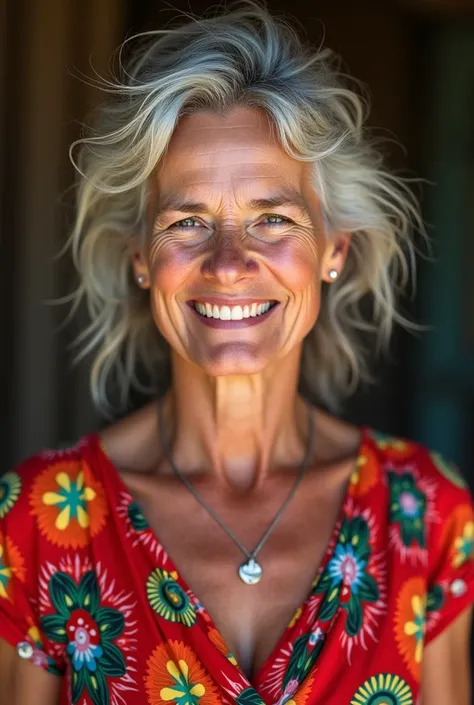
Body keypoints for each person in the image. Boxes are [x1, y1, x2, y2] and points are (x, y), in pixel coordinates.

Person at [1, 3, 473, 704]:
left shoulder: (425, 514)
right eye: (188, 221)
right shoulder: (39, 523)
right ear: (140, 257)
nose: (228, 263)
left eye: (272, 218)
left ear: (333, 251)